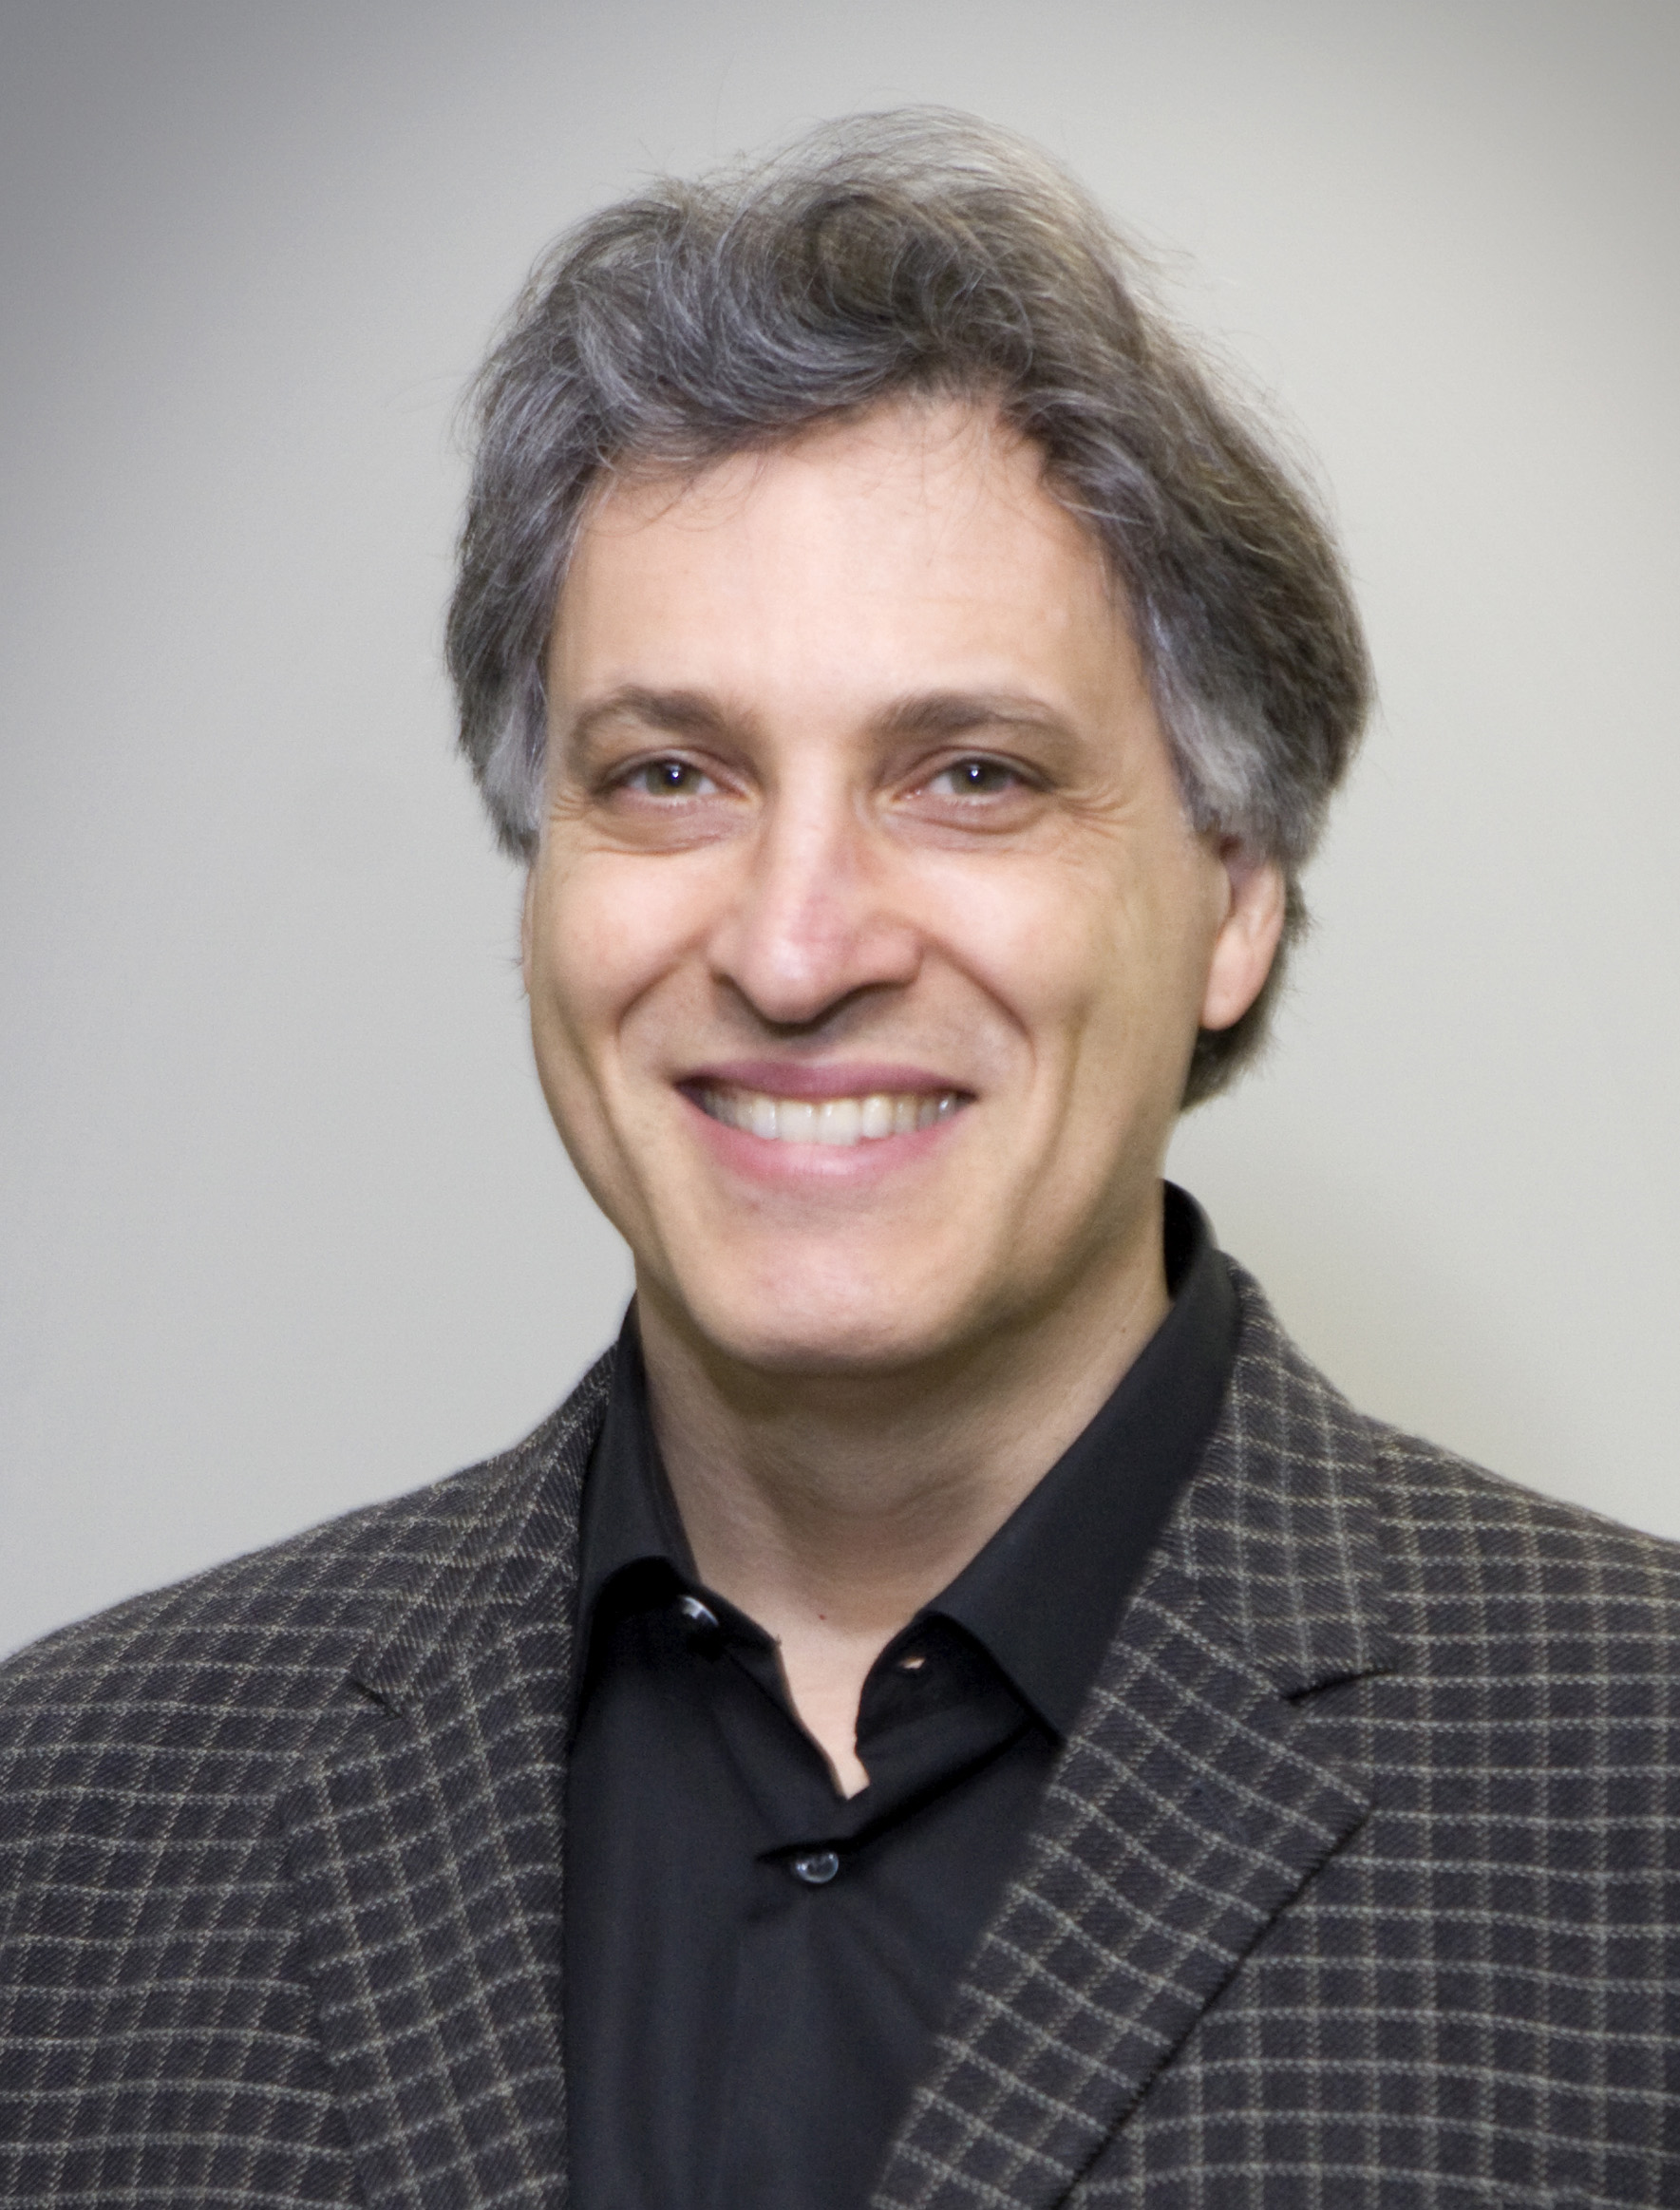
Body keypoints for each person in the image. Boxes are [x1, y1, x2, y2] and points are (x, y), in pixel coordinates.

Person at [2, 110, 1675, 2210]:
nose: (795, 950)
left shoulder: (1641, 1801)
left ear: (1233, 902)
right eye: (669, 775)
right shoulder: (60, 1826)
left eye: (969, 775)